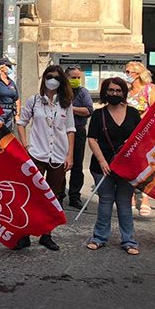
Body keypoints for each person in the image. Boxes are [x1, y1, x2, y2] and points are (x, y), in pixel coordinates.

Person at [15, 64, 75, 251]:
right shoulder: (34, 101)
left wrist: (70, 154)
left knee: (53, 196)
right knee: (32, 194)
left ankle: (46, 234)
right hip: (37, 153)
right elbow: (21, 122)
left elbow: (70, 129)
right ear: (44, 78)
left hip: (58, 154)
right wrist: (25, 145)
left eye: (57, 77)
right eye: (50, 76)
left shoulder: (65, 103)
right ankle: (25, 234)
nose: (53, 80)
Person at [87, 77, 141, 255]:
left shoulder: (133, 113)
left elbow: (141, 138)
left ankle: (129, 240)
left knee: (124, 202)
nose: (115, 94)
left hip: (127, 167)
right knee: (105, 201)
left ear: (124, 93)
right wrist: (102, 161)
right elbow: (92, 139)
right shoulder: (98, 114)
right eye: (111, 90)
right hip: (102, 166)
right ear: (105, 92)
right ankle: (99, 237)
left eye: (118, 91)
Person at [125, 60, 155, 216]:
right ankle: (130, 195)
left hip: (146, 133)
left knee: (145, 165)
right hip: (129, 132)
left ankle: (145, 198)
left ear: (138, 74)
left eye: (128, 72)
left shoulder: (149, 89)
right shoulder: (126, 90)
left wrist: (140, 118)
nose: (126, 75)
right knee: (130, 164)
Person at [64, 66, 94, 208]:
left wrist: (71, 109)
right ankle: (58, 195)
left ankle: (75, 196)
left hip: (78, 130)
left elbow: (88, 110)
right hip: (61, 131)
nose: (76, 80)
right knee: (59, 163)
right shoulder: (61, 92)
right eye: (73, 77)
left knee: (77, 164)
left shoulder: (83, 92)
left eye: (78, 77)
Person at [0, 57, 20, 130]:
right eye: (8, 66)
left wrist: (17, 114)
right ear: (2, 68)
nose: (11, 68)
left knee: (8, 137)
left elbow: (17, 99)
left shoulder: (11, 82)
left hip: (10, 114)